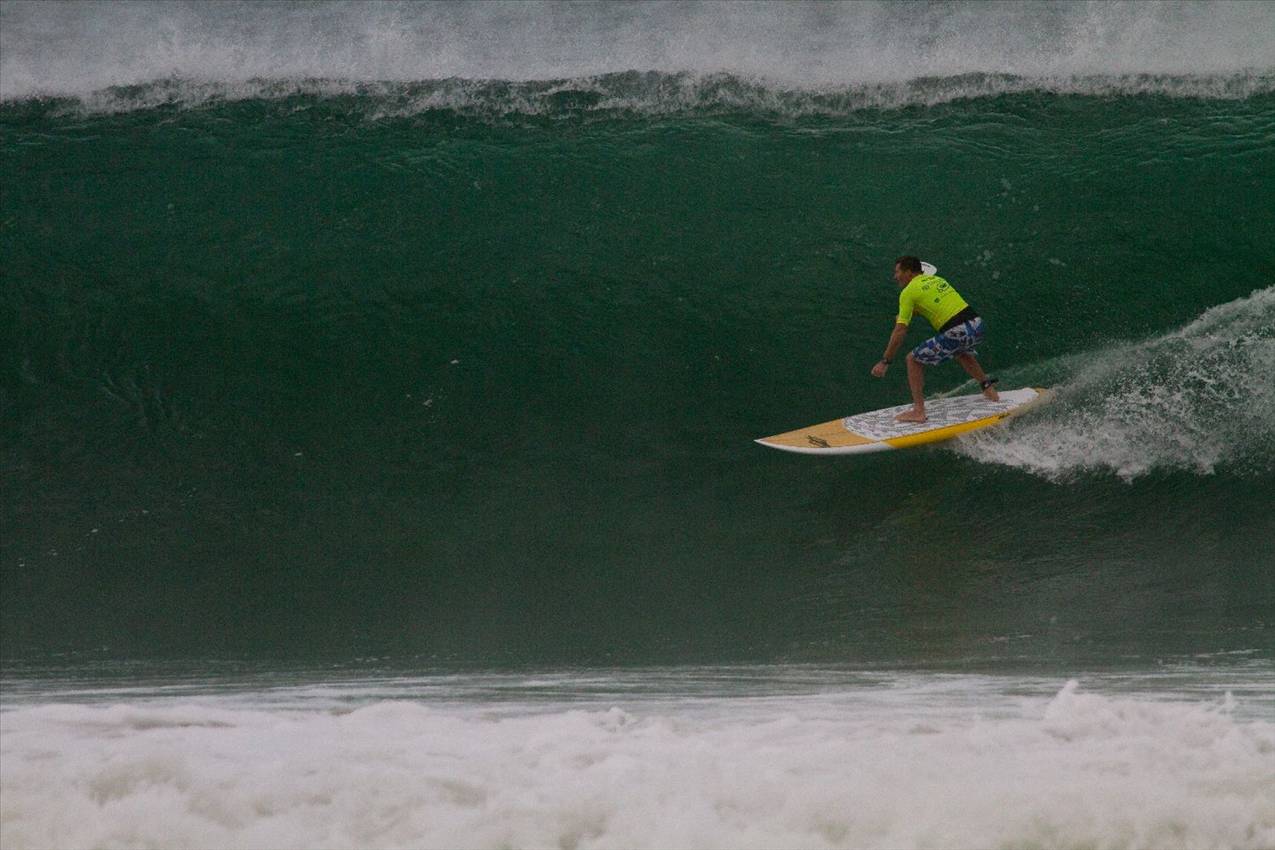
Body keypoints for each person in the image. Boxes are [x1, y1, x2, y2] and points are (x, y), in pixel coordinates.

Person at [870, 256, 999, 423]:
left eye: (897, 272)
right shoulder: (937, 280)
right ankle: (988, 388)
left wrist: (885, 361)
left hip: (957, 331)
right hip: (977, 325)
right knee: (960, 352)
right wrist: (911, 313)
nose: (895, 277)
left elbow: (900, 330)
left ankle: (918, 411)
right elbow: (934, 304)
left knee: (912, 360)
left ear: (908, 272)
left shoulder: (908, 292)